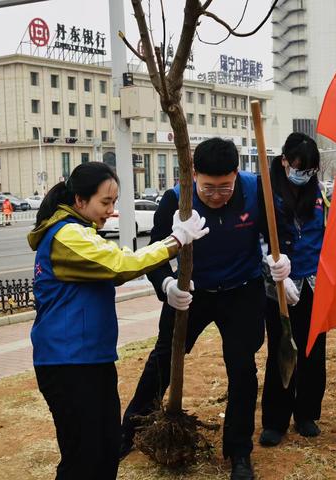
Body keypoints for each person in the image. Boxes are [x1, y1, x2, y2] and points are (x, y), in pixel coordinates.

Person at [27, 161, 209, 480]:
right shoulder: (66, 234)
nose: (111, 211)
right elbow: (122, 265)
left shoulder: (81, 232)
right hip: (66, 363)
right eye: (105, 202)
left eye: (114, 202)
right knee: (82, 456)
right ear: (80, 201)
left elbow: (115, 271)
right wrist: (174, 241)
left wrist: (171, 281)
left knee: (108, 448)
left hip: (92, 359)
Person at [121, 138, 290, 480]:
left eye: (224, 187)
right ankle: (128, 432)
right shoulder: (174, 199)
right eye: (208, 188)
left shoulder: (258, 191)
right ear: (194, 174)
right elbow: (156, 252)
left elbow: (278, 236)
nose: (216, 195)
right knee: (164, 360)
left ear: (236, 174)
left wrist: (281, 261)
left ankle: (239, 451)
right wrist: (167, 285)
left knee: (242, 370)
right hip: (191, 292)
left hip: (241, 291)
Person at [259, 132, 329, 448]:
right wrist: (273, 266)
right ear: (285, 161)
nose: (304, 175)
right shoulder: (267, 191)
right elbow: (260, 236)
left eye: (310, 170)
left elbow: (327, 234)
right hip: (279, 284)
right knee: (282, 348)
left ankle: (306, 414)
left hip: (314, 283)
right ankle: (275, 420)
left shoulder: (320, 194)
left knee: (313, 350)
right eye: (299, 167)